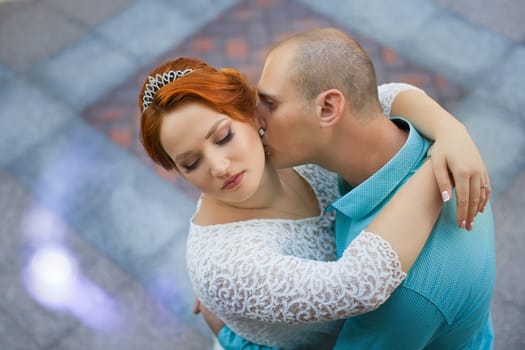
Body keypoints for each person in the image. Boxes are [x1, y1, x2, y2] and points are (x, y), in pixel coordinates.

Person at [138, 55, 490, 348]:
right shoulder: (224, 265)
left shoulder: (286, 144)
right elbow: (360, 284)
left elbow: (380, 98)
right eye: (191, 163)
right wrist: (432, 166)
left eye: (223, 136)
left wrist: (451, 131)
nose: (218, 167)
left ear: (250, 114)